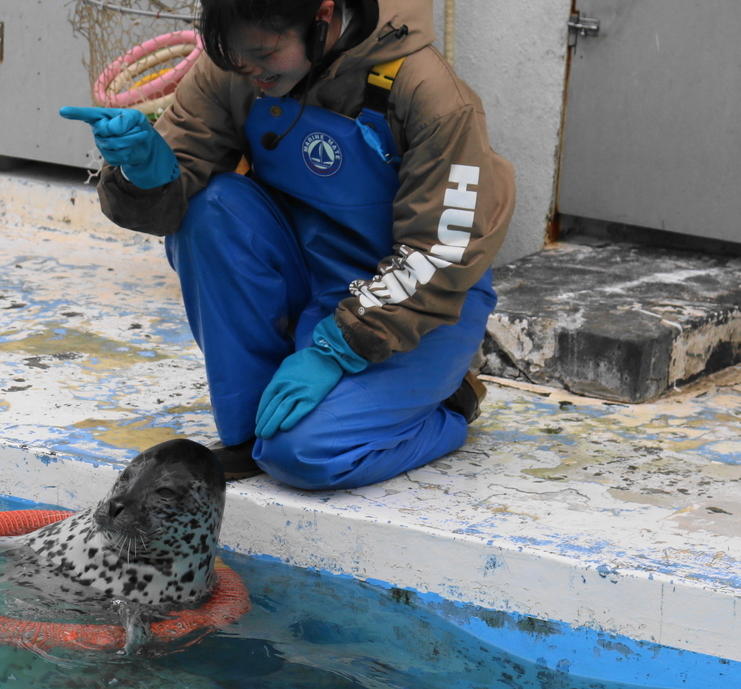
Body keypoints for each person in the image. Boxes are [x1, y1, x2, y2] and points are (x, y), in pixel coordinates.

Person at [61, 0, 514, 489]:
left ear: (322, 16)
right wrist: (145, 170)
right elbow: (173, 199)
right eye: (235, 57)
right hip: (310, 276)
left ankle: (446, 405)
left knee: (302, 454)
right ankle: (250, 426)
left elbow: (442, 253)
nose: (247, 72)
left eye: (263, 53)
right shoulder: (237, 67)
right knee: (209, 208)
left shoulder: (430, 94)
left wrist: (331, 351)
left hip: (416, 302)